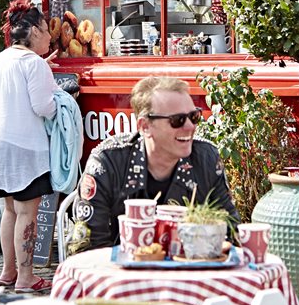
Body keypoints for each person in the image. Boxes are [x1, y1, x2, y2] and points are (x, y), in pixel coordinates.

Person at [68, 76, 239, 254]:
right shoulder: (108, 161)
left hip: (190, 271)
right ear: (145, 126)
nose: (190, 127)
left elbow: (230, 230)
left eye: (194, 116)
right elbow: (88, 245)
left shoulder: (206, 158)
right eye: (177, 120)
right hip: (122, 273)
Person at [0, 0, 58, 294]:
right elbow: (43, 107)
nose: (50, 36)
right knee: (27, 212)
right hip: (23, 148)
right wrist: (60, 98)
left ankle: (7, 271)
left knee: (8, 209)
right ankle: (25, 277)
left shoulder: (1, 59)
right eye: (47, 30)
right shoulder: (34, 63)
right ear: (34, 31)